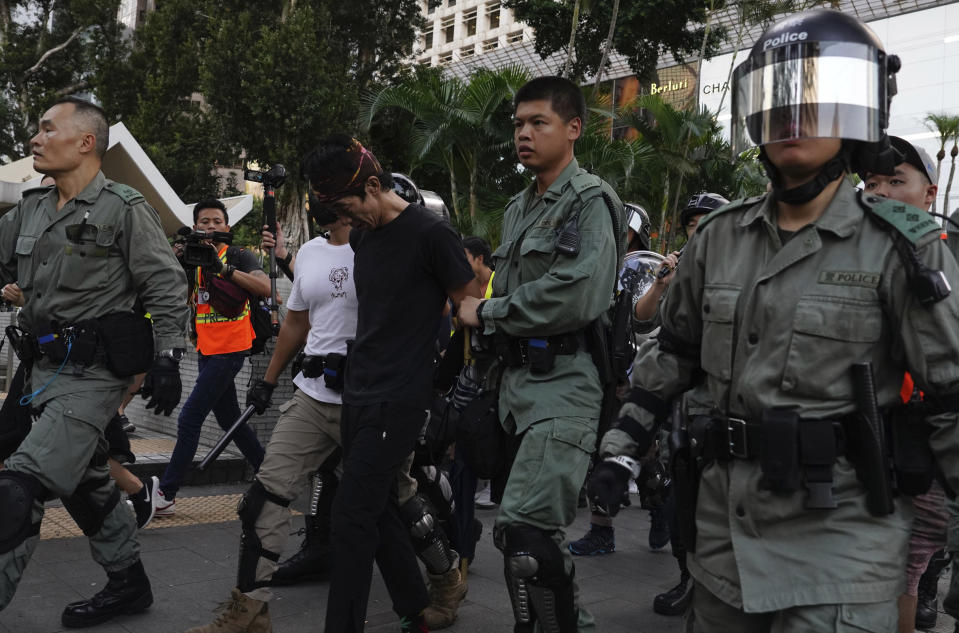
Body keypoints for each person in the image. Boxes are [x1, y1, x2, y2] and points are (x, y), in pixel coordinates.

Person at [588, 10, 959, 632]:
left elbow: (951, 397)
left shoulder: (905, 247)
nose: (793, 114)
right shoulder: (718, 239)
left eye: (820, 96)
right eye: (776, 96)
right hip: (722, 545)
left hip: (840, 553)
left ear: (862, 112)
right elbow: (672, 355)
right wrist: (620, 450)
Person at [0, 96, 188, 626]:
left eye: (45, 129)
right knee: (88, 485)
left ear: (85, 142)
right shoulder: (31, 210)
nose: (35, 140)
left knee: (19, 487)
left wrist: (169, 357)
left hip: (93, 377)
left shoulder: (124, 208)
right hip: (37, 373)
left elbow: (165, 285)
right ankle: (129, 584)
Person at [458, 76, 624, 633]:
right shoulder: (516, 208)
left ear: (574, 128)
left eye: (538, 123)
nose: (523, 135)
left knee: (527, 532)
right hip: (514, 386)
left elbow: (578, 293)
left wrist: (486, 312)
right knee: (523, 538)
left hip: (565, 382)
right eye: (518, 124)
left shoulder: (590, 201)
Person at [303, 134, 479, 633]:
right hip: (358, 390)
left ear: (374, 185)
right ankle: (415, 608)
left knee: (350, 517)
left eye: (344, 208)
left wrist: (441, 383)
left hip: (400, 395)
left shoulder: (431, 234)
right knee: (376, 505)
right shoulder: (362, 236)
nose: (342, 222)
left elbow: (467, 308)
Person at [863, 136, 946, 633]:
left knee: (904, 572)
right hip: (856, 446)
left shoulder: (943, 262)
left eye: (898, 181)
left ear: (930, 194)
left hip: (922, 450)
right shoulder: (850, 259)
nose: (884, 193)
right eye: (873, 182)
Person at [152, 199, 270, 516]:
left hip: (231, 349)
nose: (211, 226)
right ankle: (271, 476)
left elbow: (265, 287)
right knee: (230, 419)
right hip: (207, 351)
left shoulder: (237, 255)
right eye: (204, 221)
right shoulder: (193, 258)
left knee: (190, 417)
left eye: (217, 221)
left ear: (227, 227)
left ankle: (166, 493)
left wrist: (225, 270)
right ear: (195, 227)